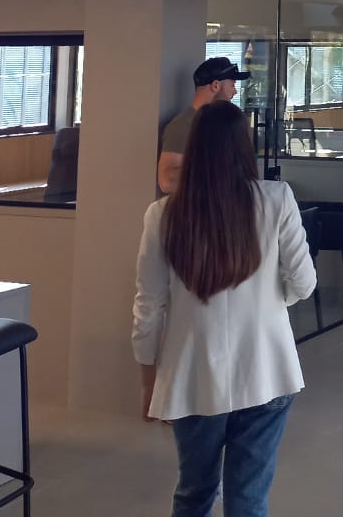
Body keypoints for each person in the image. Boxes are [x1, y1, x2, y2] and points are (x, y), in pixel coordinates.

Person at [133, 100, 315, 517]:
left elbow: (149, 305)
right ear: (244, 147)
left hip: (193, 374)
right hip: (268, 369)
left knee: (194, 493)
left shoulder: (163, 215)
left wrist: (148, 381)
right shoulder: (276, 198)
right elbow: (304, 283)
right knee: (248, 500)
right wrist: (271, 300)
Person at [158, 57, 250, 195]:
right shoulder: (183, 125)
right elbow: (167, 182)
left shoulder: (225, 126)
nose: (235, 91)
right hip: (198, 207)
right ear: (215, 86)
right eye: (232, 85)